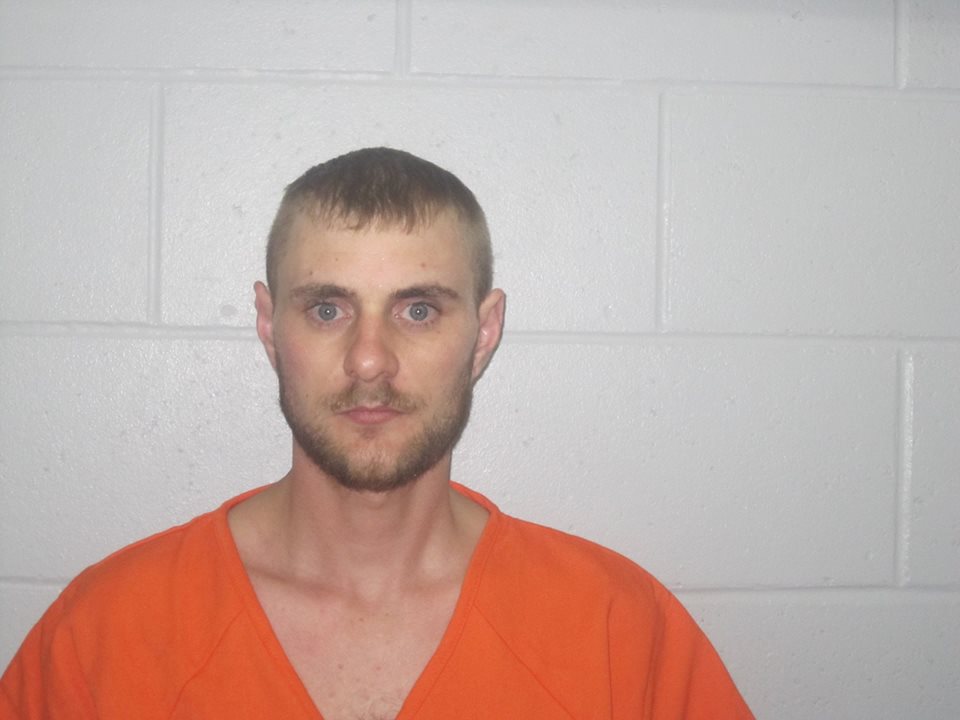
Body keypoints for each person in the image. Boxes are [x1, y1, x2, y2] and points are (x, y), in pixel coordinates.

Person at [1, 148, 753, 719]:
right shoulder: (103, 635)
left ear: (484, 331)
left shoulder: (618, 630)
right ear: (268, 325)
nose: (368, 360)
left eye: (418, 310)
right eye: (327, 309)